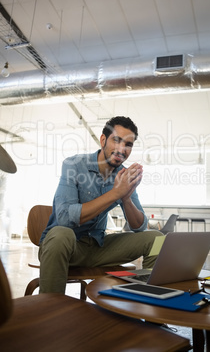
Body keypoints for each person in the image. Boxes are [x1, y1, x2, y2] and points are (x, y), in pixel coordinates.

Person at [38, 116, 163, 293]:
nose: (121, 149)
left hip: (98, 248)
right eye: (116, 140)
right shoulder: (73, 165)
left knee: (157, 239)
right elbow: (65, 218)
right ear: (103, 140)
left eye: (128, 144)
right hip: (65, 247)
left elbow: (139, 226)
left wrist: (126, 197)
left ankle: (146, 298)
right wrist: (116, 193)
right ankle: (51, 310)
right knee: (60, 234)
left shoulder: (123, 176)